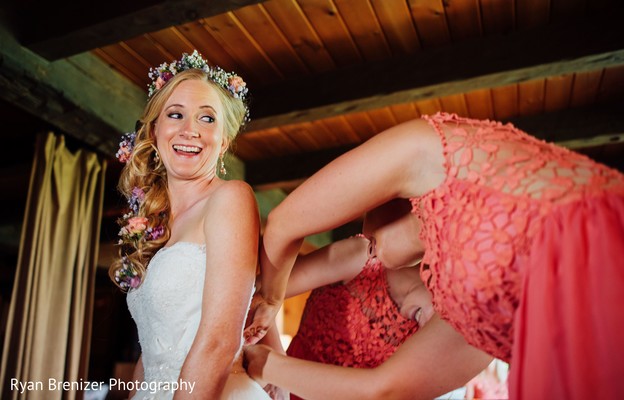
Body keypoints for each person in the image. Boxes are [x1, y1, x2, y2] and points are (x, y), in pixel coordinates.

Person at [244, 112, 624, 399]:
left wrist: (270, 362)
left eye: (371, 240)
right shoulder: (373, 259)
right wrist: (272, 308)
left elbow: (384, 390)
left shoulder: (431, 156)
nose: (369, 243)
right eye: (367, 239)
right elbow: (279, 234)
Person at [109, 51, 277, 399]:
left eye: (207, 118)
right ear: (155, 131)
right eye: (176, 115)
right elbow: (153, 350)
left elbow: (218, 340)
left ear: (224, 141)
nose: (190, 130)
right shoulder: (155, 226)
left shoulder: (230, 199)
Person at [245, 199, 492, 400]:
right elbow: (255, 294)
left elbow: (385, 391)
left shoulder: (467, 319)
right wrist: (273, 364)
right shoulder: (362, 258)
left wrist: (271, 366)